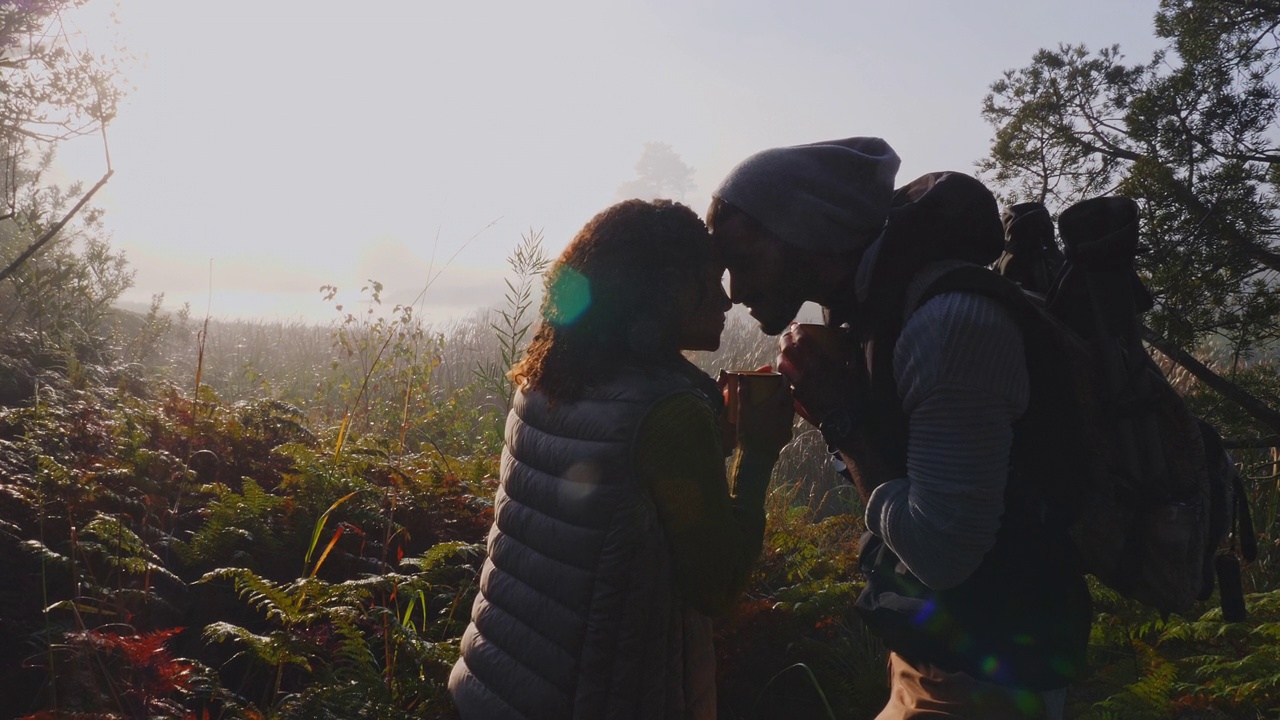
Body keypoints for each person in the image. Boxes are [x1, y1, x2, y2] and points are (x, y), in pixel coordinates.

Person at [705, 138, 1091, 719]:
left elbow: (941, 552)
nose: (734, 292)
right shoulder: (876, 311)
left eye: (742, 261)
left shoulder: (949, 326)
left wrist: (839, 419)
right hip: (934, 661)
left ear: (805, 231)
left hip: (987, 680)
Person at [448, 198, 794, 720]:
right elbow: (717, 585)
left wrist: (709, 443)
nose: (728, 302)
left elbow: (620, 494)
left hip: (491, 682)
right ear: (666, 290)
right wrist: (759, 452)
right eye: (711, 280)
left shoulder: (546, 380)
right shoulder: (668, 415)